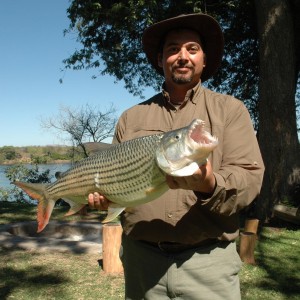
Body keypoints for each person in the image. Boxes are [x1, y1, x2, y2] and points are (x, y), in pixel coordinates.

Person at [88, 13, 264, 300]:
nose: (182, 56)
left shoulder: (231, 111)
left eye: (192, 49)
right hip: (142, 263)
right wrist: (103, 197)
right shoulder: (130, 117)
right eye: (172, 49)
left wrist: (209, 184)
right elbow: (112, 181)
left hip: (209, 266)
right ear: (161, 60)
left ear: (204, 60)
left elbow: (250, 178)